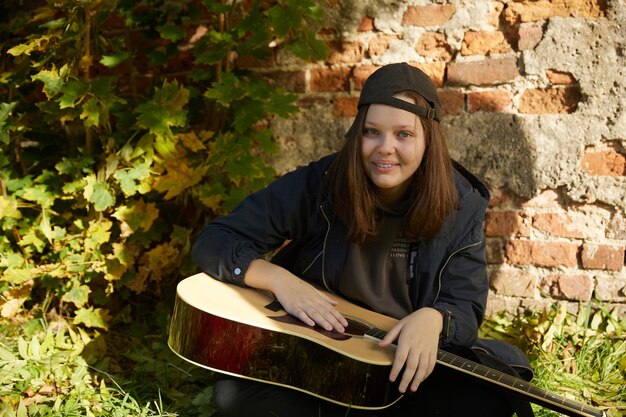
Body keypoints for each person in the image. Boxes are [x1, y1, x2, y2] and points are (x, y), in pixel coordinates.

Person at [191, 62, 533, 417]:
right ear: (358, 134)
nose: (385, 148)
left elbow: (465, 306)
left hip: (398, 363)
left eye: (404, 134)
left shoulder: (461, 206)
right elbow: (215, 239)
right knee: (234, 397)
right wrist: (280, 281)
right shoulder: (321, 184)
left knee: (486, 401)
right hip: (318, 353)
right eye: (373, 132)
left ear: (428, 140)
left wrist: (434, 318)